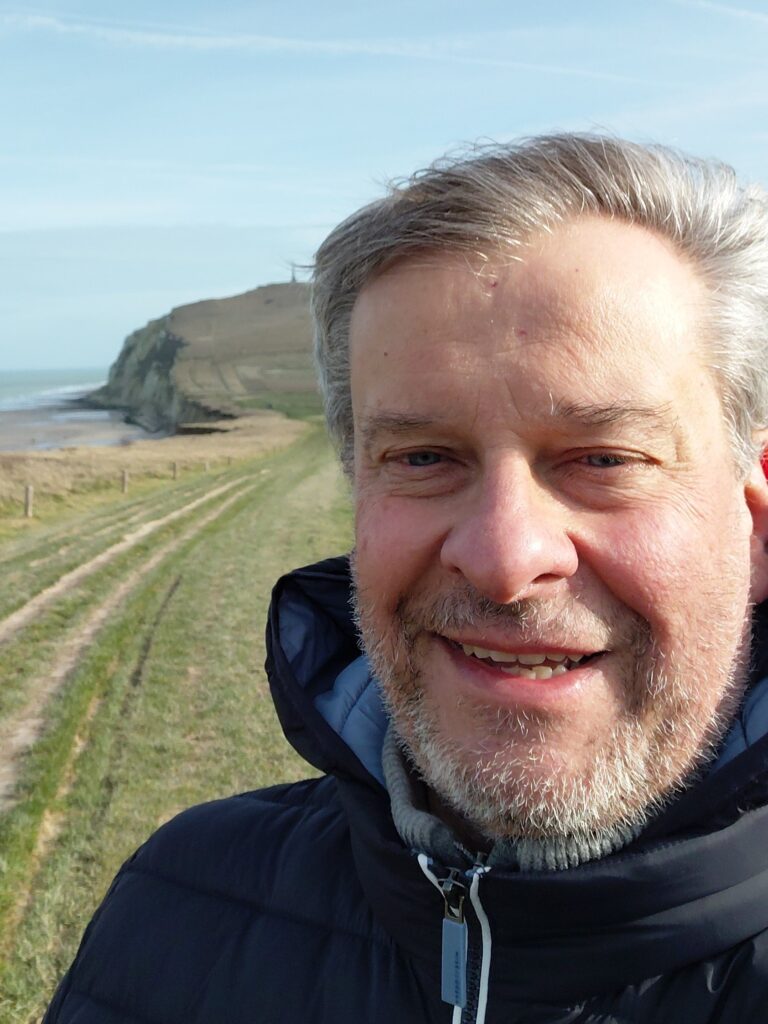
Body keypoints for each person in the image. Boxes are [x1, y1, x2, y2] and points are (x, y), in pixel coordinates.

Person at [45, 134, 768, 1023]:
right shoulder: (172, 906)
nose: (505, 560)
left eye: (604, 458)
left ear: (756, 520)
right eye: (423, 456)